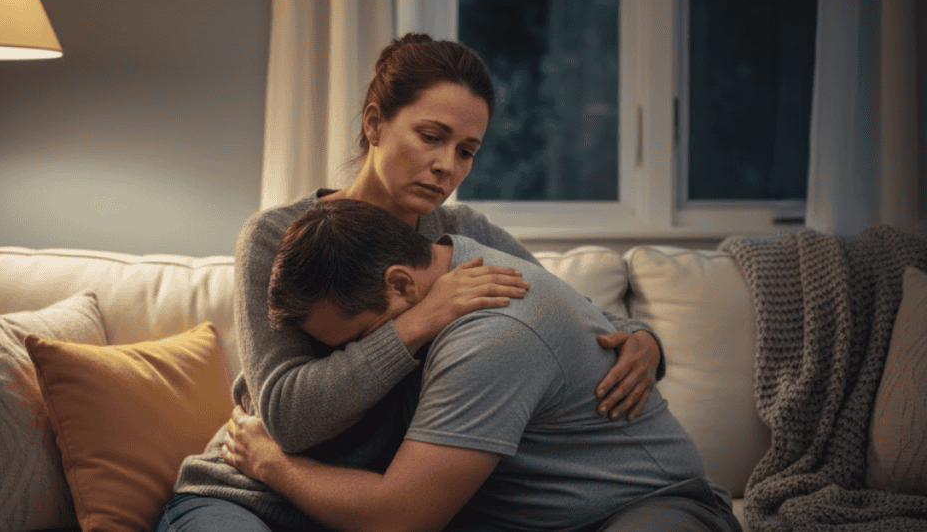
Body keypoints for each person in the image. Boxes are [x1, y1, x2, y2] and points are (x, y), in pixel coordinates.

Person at [159, 34, 665, 531]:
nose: (447, 166)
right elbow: (287, 416)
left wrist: (643, 341)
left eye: (466, 151)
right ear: (375, 122)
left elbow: (584, 317)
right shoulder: (276, 236)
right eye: (431, 137)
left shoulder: (467, 234)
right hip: (248, 494)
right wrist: (421, 319)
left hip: (364, 509)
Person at [222, 199, 742, 532]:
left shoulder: (492, 331)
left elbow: (399, 517)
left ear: (401, 284)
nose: (351, 359)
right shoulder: (452, 259)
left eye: (358, 339)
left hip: (648, 506)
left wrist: (269, 461)